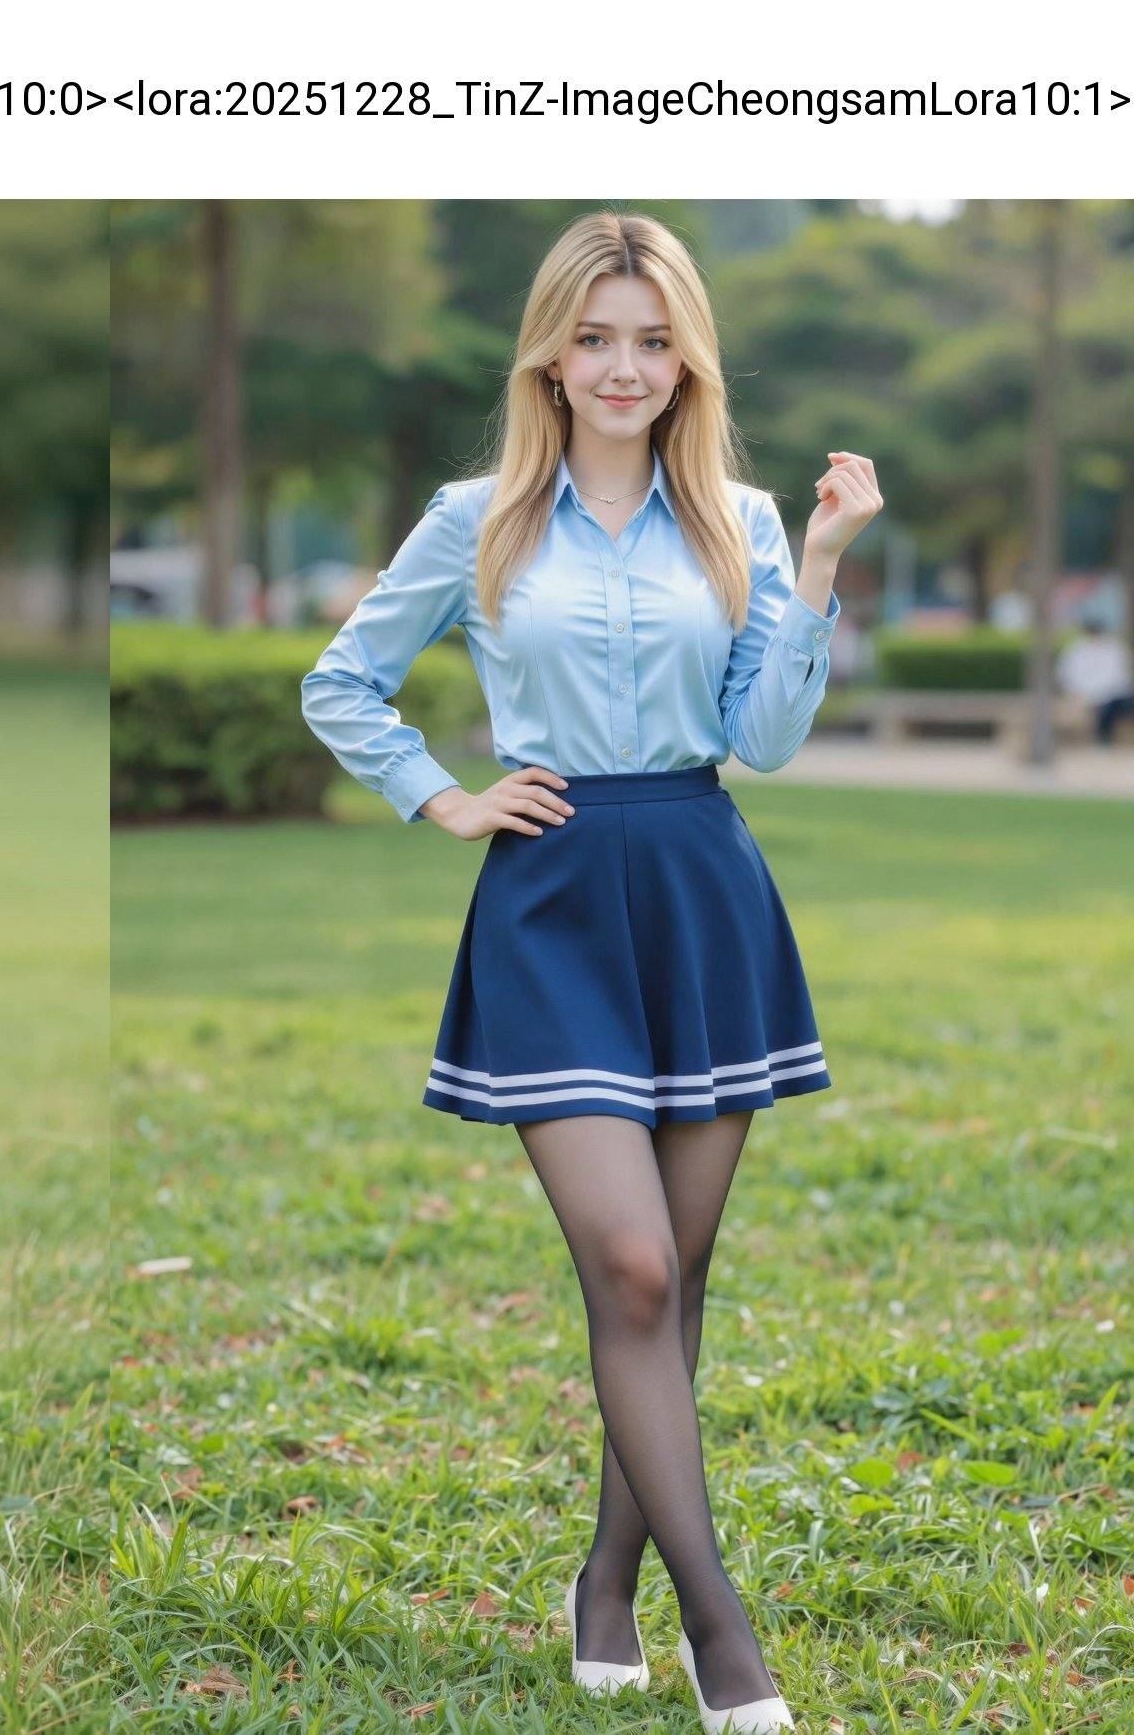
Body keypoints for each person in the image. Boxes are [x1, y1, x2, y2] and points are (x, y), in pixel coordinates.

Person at [302, 212, 881, 1734]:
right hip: (551, 897)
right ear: (550, 356)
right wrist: (445, 796)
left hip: (699, 885)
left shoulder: (742, 521)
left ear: (686, 358)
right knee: (628, 1266)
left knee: (673, 1279)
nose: (623, 366)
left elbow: (762, 739)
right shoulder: (475, 516)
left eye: (652, 339)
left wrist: (817, 566)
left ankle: (606, 1579)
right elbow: (341, 681)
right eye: (595, 337)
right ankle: (723, 1634)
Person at [1055, 613, 1134, 745]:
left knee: (1113, 704)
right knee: (1107, 706)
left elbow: (1122, 675)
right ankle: (1104, 737)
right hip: (1089, 695)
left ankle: (1104, 736)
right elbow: (1067, 675)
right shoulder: (1076, 649)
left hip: (1114, 694)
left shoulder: (1114, 647)